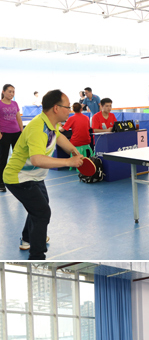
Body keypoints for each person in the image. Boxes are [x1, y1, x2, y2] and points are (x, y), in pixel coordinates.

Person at [3, 89, 85, 259]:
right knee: (42, 212)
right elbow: (37, 160)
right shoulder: (38, 127)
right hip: (18, 177)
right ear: (56, 108)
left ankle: (27, 239)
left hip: (35, 176)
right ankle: (37, 256)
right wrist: (69, 162)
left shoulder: (51, 123)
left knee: (39, 207)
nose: (70, 110)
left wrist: (73, 150)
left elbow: (58, 136)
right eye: (67, 107)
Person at [0, 82, 24, 195]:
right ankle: (1, 183)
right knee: (3, 159)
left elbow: (18, 118)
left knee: (18, 158)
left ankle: (18, 180)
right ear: (3, 92)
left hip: (16, 133)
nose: (11, 93)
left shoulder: (15, 103)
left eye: (13, 92)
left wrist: (22, 132)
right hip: (4, 134)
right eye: (9, 91)